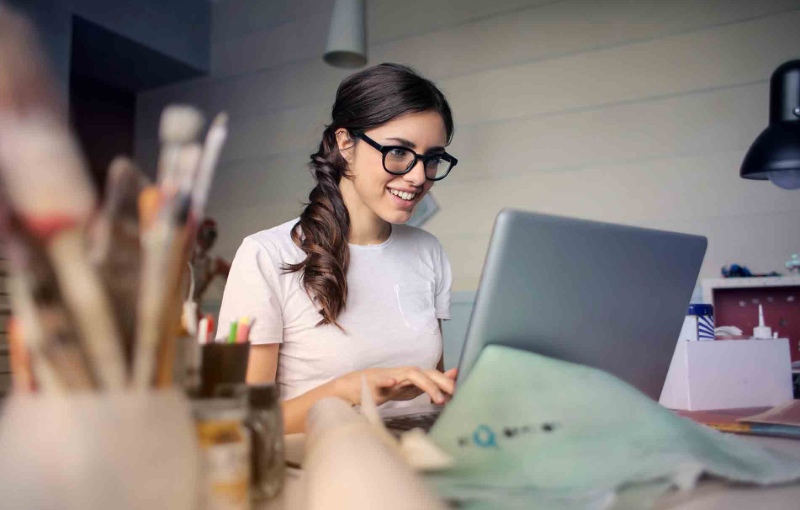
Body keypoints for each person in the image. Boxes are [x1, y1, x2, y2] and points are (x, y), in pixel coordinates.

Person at [216, 63, 459, 433]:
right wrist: (348, 390)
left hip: (416, 460)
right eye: (398, 152)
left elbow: (434, 390)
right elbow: (243, 423)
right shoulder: (265, 255)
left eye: (433, 158)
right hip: (323, 468)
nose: (418, 176)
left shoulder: (428, 251)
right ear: (346, 144)